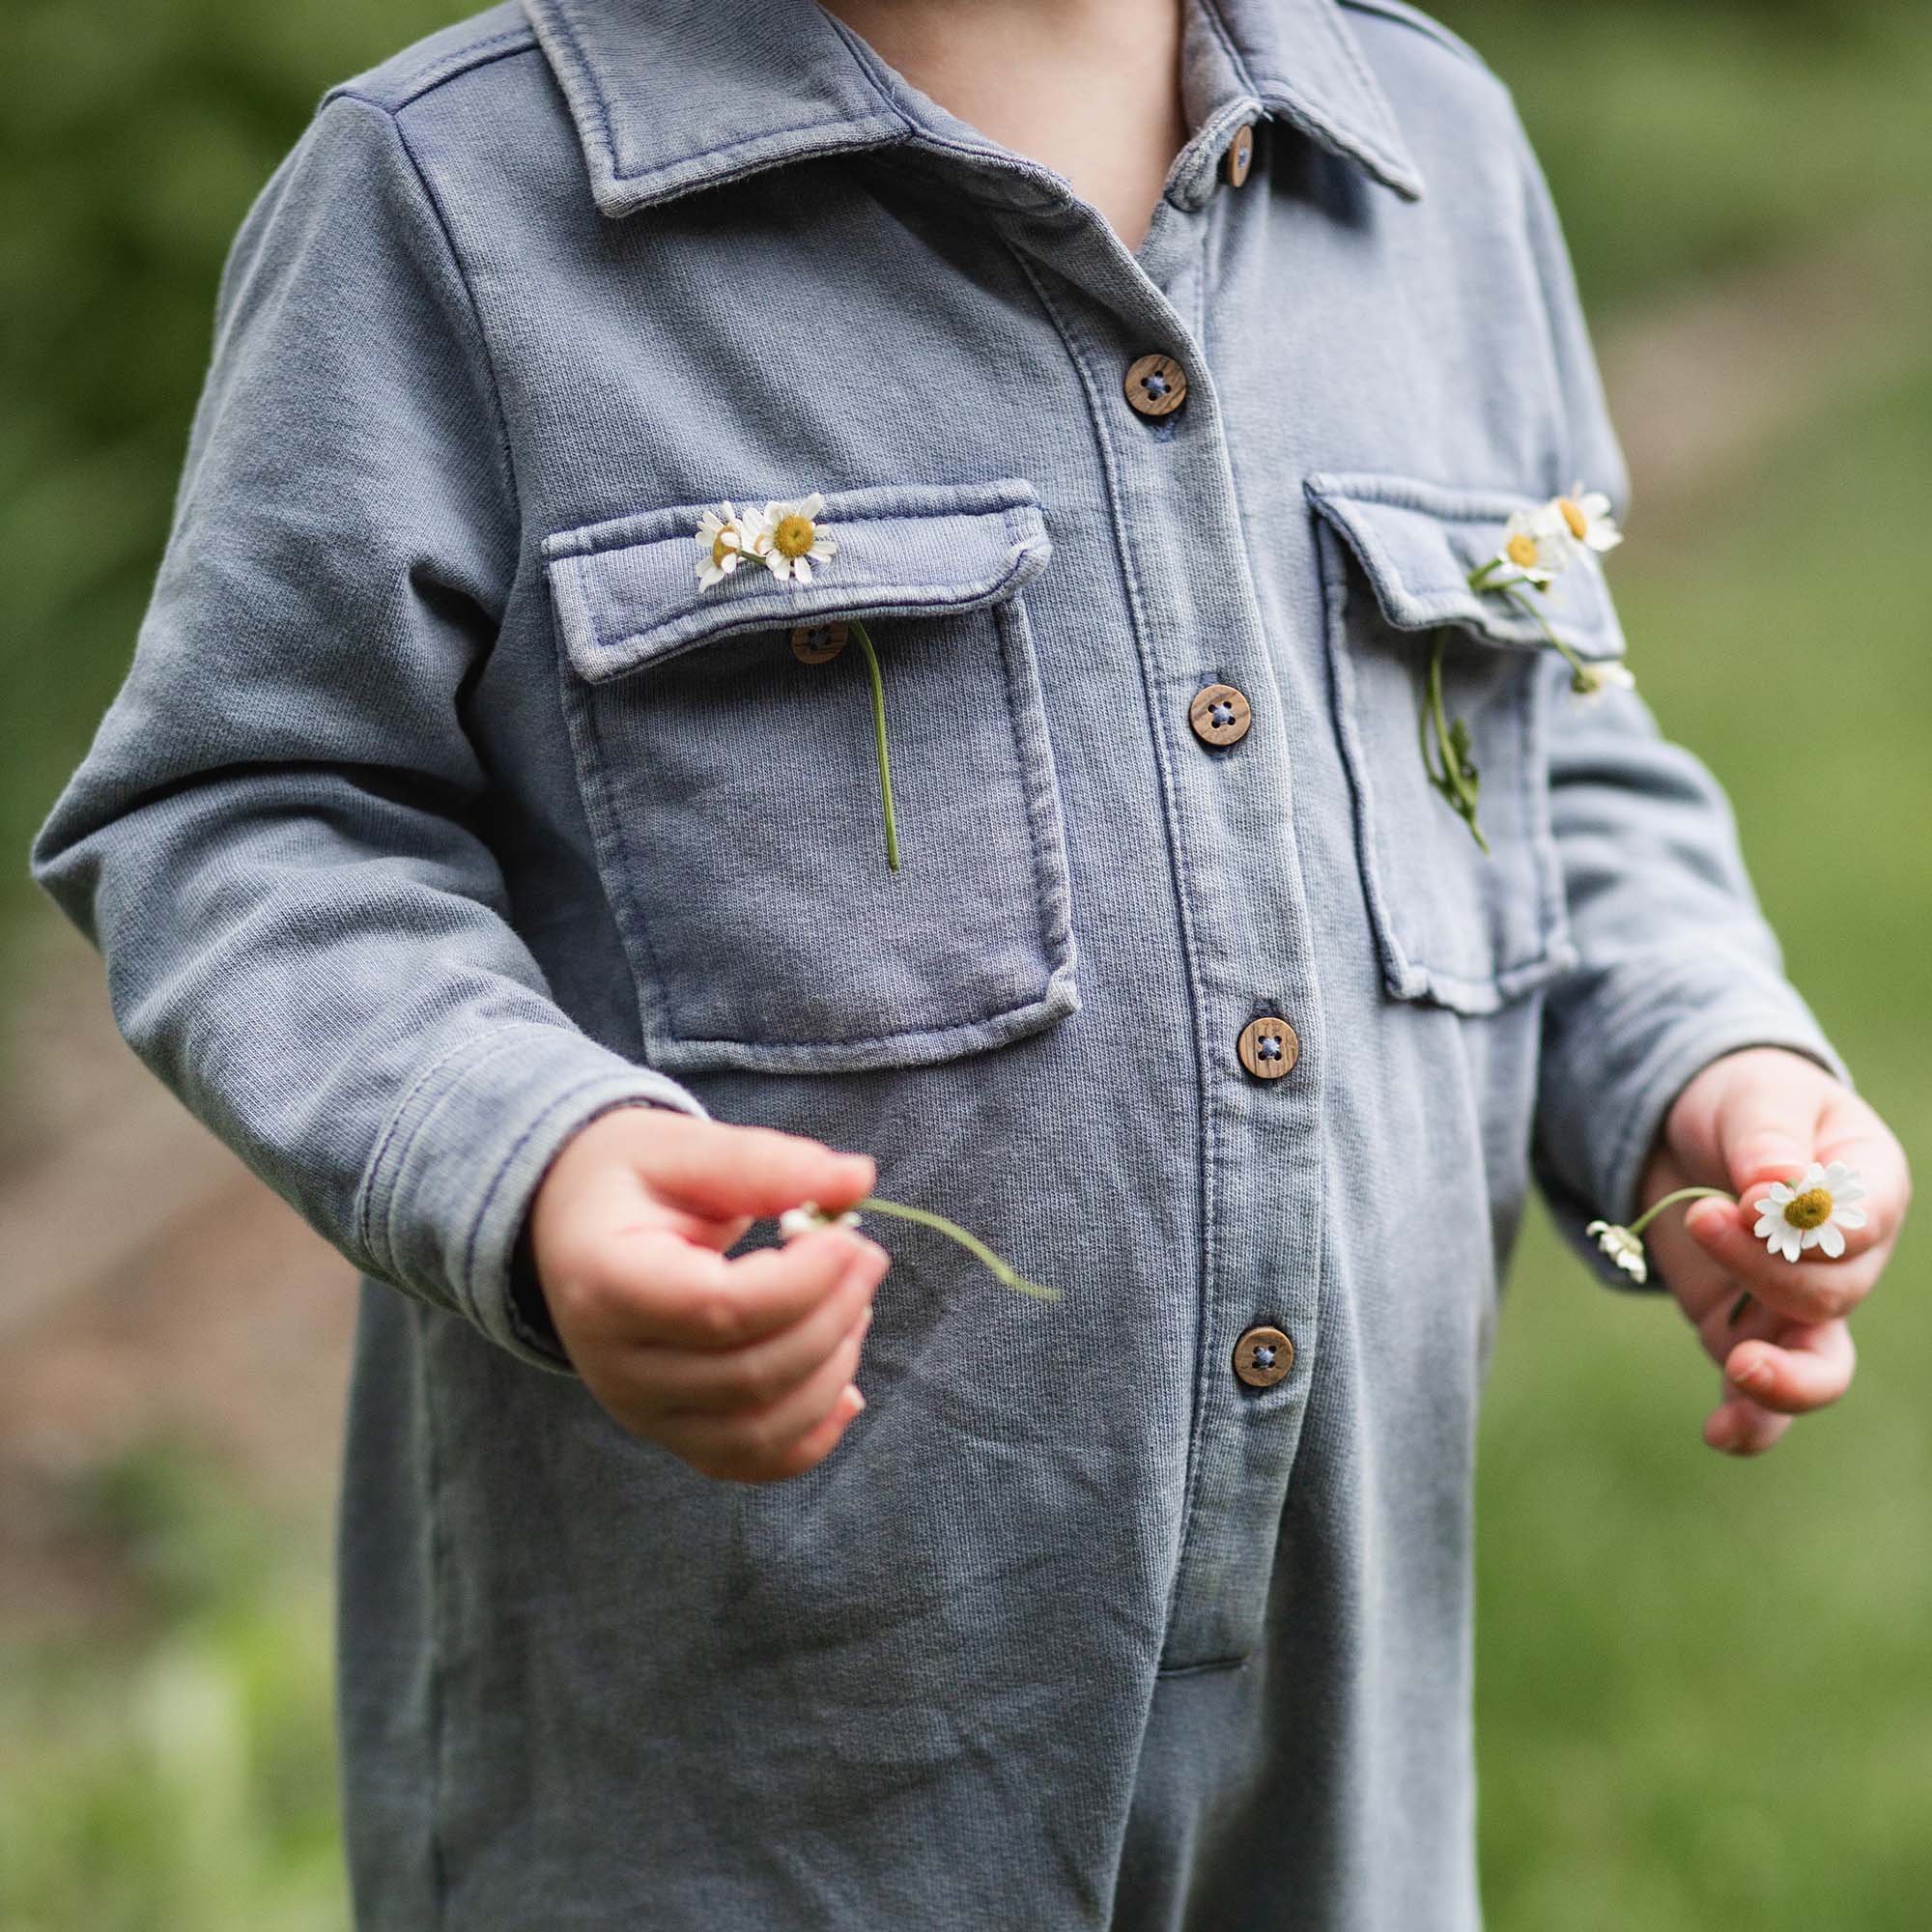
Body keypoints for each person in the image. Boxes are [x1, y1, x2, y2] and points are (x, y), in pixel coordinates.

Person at [28, 0, 1910, 1925]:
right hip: (736, 1774)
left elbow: (1551, 746)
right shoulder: (458, 196)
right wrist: (536, 1155)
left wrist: (1705, 1066)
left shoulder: (1429, 158)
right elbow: (244, 810)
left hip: (1335, 1748)